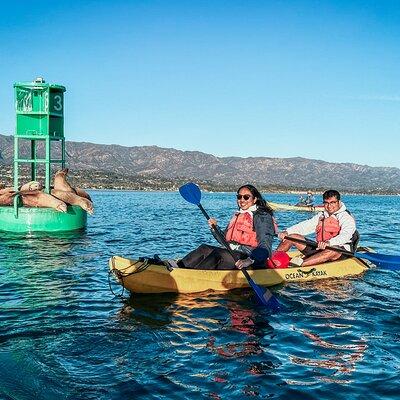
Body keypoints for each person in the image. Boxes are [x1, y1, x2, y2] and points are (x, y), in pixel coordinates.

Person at [170, 184, 276, 270]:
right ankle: (178, 267)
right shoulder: (240, 214)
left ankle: (192, 277)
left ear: (254, 199)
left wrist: (249, 260)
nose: (242, 200)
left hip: (252, 258)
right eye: (239, 197)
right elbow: (224, 240)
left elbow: (265, 245)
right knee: (204, 248)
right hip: (233, 252)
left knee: (217, 254)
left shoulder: (262, 216)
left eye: (246, 197)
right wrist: (214, 228)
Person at [275, 189, 359, 267]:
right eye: (326, 203)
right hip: (321, 248)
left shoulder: (346, 217)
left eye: (332, 202)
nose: (329, 206)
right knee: (292, 237)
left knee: (333, 250)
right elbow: (305, 226)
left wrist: (329, 243)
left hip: (340, 252)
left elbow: (346, 235)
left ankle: (298, 266)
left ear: (339, 202)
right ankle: (273, 259)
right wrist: (287, 232)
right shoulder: (322, 215)